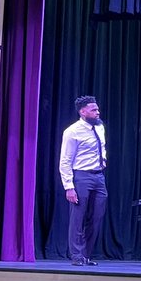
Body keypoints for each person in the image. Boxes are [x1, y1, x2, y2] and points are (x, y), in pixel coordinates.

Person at [59, 95, 108, 266]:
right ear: (83, 112)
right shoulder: (72, 131)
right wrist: (69, 187)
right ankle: (77, 255)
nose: (97, 112)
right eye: (94, 110)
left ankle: (86, 254)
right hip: (81, 176)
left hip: (99, 176)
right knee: (78, 217)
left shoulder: (100, 127)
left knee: (96, 216)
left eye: (97, 109)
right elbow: (65, 160)